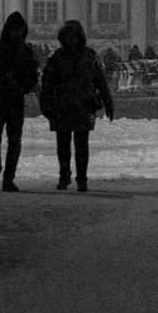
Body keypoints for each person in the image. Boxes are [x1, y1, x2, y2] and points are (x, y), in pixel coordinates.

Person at [39, 19, 113, 191]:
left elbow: (100, 81)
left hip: (82, 105)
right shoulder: (57, 57)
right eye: (68, 36)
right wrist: (46, 105)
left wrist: (108, 102)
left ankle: (81, 178)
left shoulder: (88, 55)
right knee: (64, 145)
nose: (71, 40)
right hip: (62, 106)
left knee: (81, 145)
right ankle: (64, 175)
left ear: (80, 37)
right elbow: (47, 84)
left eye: (74, 36)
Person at [0, 12, 41, 191]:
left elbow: (32, 77)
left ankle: (8, 178)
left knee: (14, 140)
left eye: (20, 30)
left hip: (14, 101)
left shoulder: (25, 52)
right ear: (8, 30)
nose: (17, 33)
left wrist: (21, 87)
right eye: (14, 30)